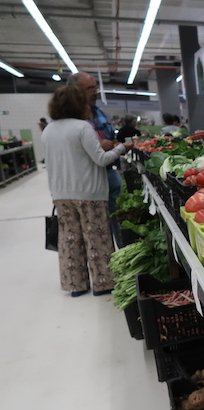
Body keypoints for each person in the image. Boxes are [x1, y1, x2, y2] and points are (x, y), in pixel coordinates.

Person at [42, 85, 132, 297]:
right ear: (78, 104)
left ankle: (76, 285)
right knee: (97, 238)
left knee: (70, 239)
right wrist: (121, 148)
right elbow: (101, 159)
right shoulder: (82, 127)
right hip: (89, 192)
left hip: (60, 194)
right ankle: (103, 284)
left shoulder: (48, 130)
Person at [67, 72, 124, 247]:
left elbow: (108, 138)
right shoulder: (69, 118)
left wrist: (112, 143)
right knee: (97, 230)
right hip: (89, 182)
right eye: (90, 88)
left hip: (109, 172)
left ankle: (120, 254)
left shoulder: (98, 112)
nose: (96, 92)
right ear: (75, 91)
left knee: (119, 221)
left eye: (96, 87)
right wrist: (100, 145)